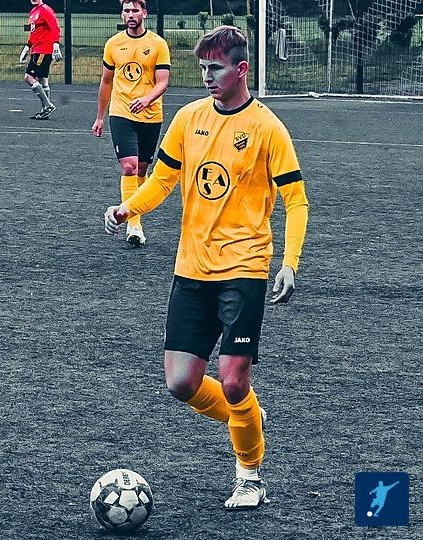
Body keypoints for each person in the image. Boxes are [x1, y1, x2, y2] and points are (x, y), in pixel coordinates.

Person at [103, 26, 310, 510]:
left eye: (215, 68)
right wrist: (128, 208)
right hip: (192, 268)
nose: (207, 77)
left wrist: (290, 263)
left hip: (244, 267)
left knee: (234, 379)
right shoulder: (188, 118)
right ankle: (248, 418)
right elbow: (162, 180)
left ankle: (249, 476)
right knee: (181, 382)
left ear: (242, 70)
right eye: (202, 68)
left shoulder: (268, 128)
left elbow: (296, 201)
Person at [91, 0, 170, 247]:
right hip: (121, 113)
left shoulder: (158, 44)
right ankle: (133, 224)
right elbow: (106, 81)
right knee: (129, 167)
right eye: (127, 10)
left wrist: (146, 100)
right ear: (122, 14)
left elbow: (163, 81)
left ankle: (134, 213)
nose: (131, 14)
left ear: (144, 13)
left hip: (150, 115)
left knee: (142, 171)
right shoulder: (113, 44)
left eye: (135, 10)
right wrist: (100, 116)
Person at [19, 0, 62, 120]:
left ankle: (48, 105)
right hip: (36, 49)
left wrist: (56, 44)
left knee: (29, 77)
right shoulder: (33, 12)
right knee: (43, 80)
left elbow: (55, 27)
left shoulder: (46, 10)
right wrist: (27, 48)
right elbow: (34, 33)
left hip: (43, 50)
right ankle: (44, 111)